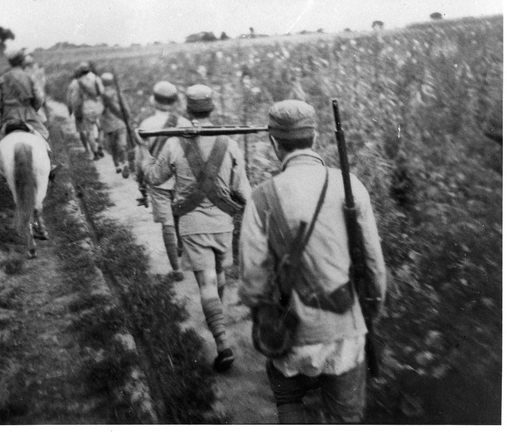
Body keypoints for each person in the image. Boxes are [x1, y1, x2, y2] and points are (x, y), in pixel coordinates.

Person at [238, 100, 387, 423]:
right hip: (346, 332)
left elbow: (251, 283)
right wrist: (368, 315)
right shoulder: (350, 186)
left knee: (288, 396)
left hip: (293, 337)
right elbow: (375, 266)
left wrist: (265, 315)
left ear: (274, 143)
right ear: (315, 138)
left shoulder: (261, 197)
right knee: (345, 417)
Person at [138, 84, 252, 372]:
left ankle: (222, 343)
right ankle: (220, 321)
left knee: (207, 284)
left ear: (188, 111)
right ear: (211, 109)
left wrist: (144, 153)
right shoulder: (231, 144)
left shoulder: (174, 144)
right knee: (220, 277)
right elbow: (243, 191)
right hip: (223, 223)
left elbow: (153, 177)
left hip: (191, 225)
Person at [135, 81, 192, 281]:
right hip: (181, 178)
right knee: (179, 214)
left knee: (166, 223)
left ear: (154, 101)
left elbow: (141, 157)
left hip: (158, 180)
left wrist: (140, 179)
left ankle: (176, 270)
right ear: (175, 101)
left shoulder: (146, 125)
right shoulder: (184, 123)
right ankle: (181, 248)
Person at [0, 49, 57, 176]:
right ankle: (50, 165)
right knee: (44, 134)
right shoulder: (29, 77)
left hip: (8, 116)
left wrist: (4, 108)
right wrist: (33, 109)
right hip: (28, 114)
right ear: (22, 62)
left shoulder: (2, 79)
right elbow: (39, 98)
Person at [66, 61, 105, 160]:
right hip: (98, 106)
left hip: (86, 107)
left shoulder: (77, 82)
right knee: (101, 128)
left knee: (90, 132)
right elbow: (102, 93)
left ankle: (95, 153)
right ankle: (100, 145)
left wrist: (72, 110)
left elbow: (74, 98)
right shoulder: (96, 78)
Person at [99, 72, 131, 178]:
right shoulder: (118, 93)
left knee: (112, 145)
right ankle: (125, 162)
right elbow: (125, 108)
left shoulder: (101, 95)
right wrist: (128, 118)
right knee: (123, 144)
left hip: (108, 123)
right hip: (120, 121)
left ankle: (117, 165)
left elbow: (99, 110)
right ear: (112, 82)